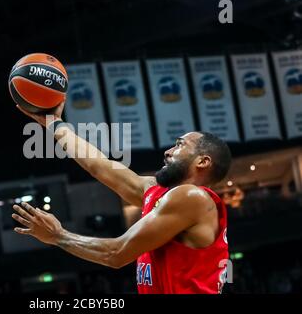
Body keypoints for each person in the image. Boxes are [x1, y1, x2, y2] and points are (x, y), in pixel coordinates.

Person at [12, 102, 232, 294]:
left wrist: (58, 236)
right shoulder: (163, 194)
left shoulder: (192, 197)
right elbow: (99, 166)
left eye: (179, 145)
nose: (168, 151)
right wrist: (54, 124)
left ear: (202, 161)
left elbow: (116, 253)